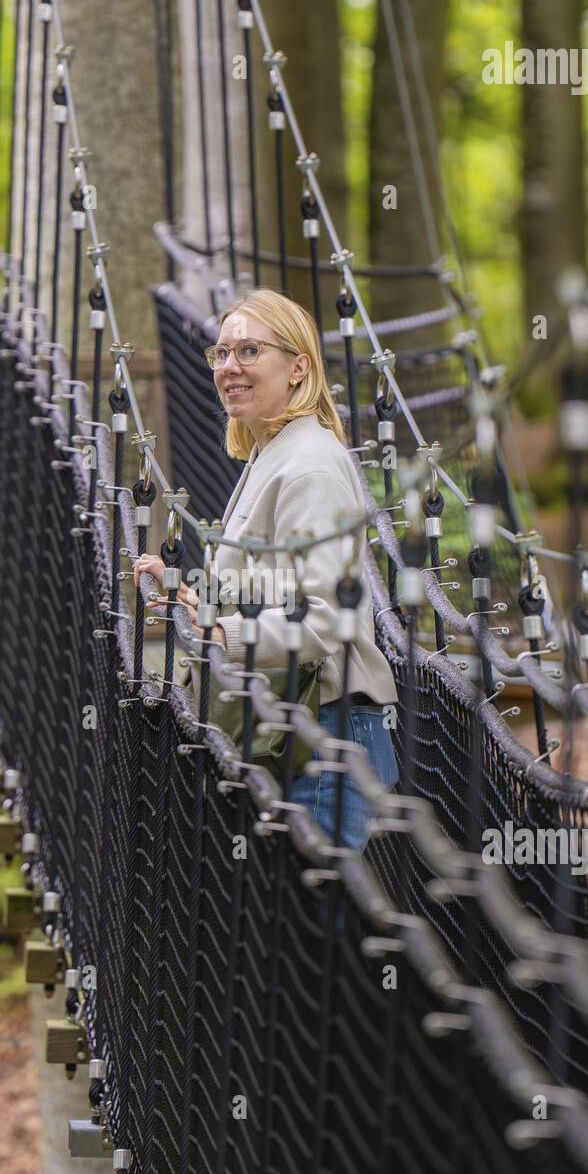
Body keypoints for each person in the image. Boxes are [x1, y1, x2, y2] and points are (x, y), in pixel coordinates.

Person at [133, 288, 398, 851]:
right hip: (299, 733)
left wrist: (220, 632)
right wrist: (191, 591)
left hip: (326, 740)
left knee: (320, 934)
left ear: (298, 366)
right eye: (222, 353)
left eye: (250, 351)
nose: (229, 367)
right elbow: (272, 588)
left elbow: (327, 619)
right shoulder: (271, 452)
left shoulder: (308, 467)